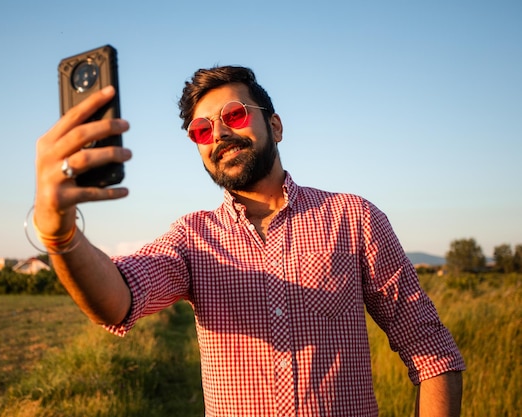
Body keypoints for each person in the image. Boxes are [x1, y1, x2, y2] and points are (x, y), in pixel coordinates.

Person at [33, 65, 465, 416]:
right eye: (201, 131)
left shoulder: (354, 218)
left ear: (274, 126)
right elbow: (119, 299)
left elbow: (431, 351)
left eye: (234, 116)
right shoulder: (191, 239)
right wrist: (60, 234)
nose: (218, 134)